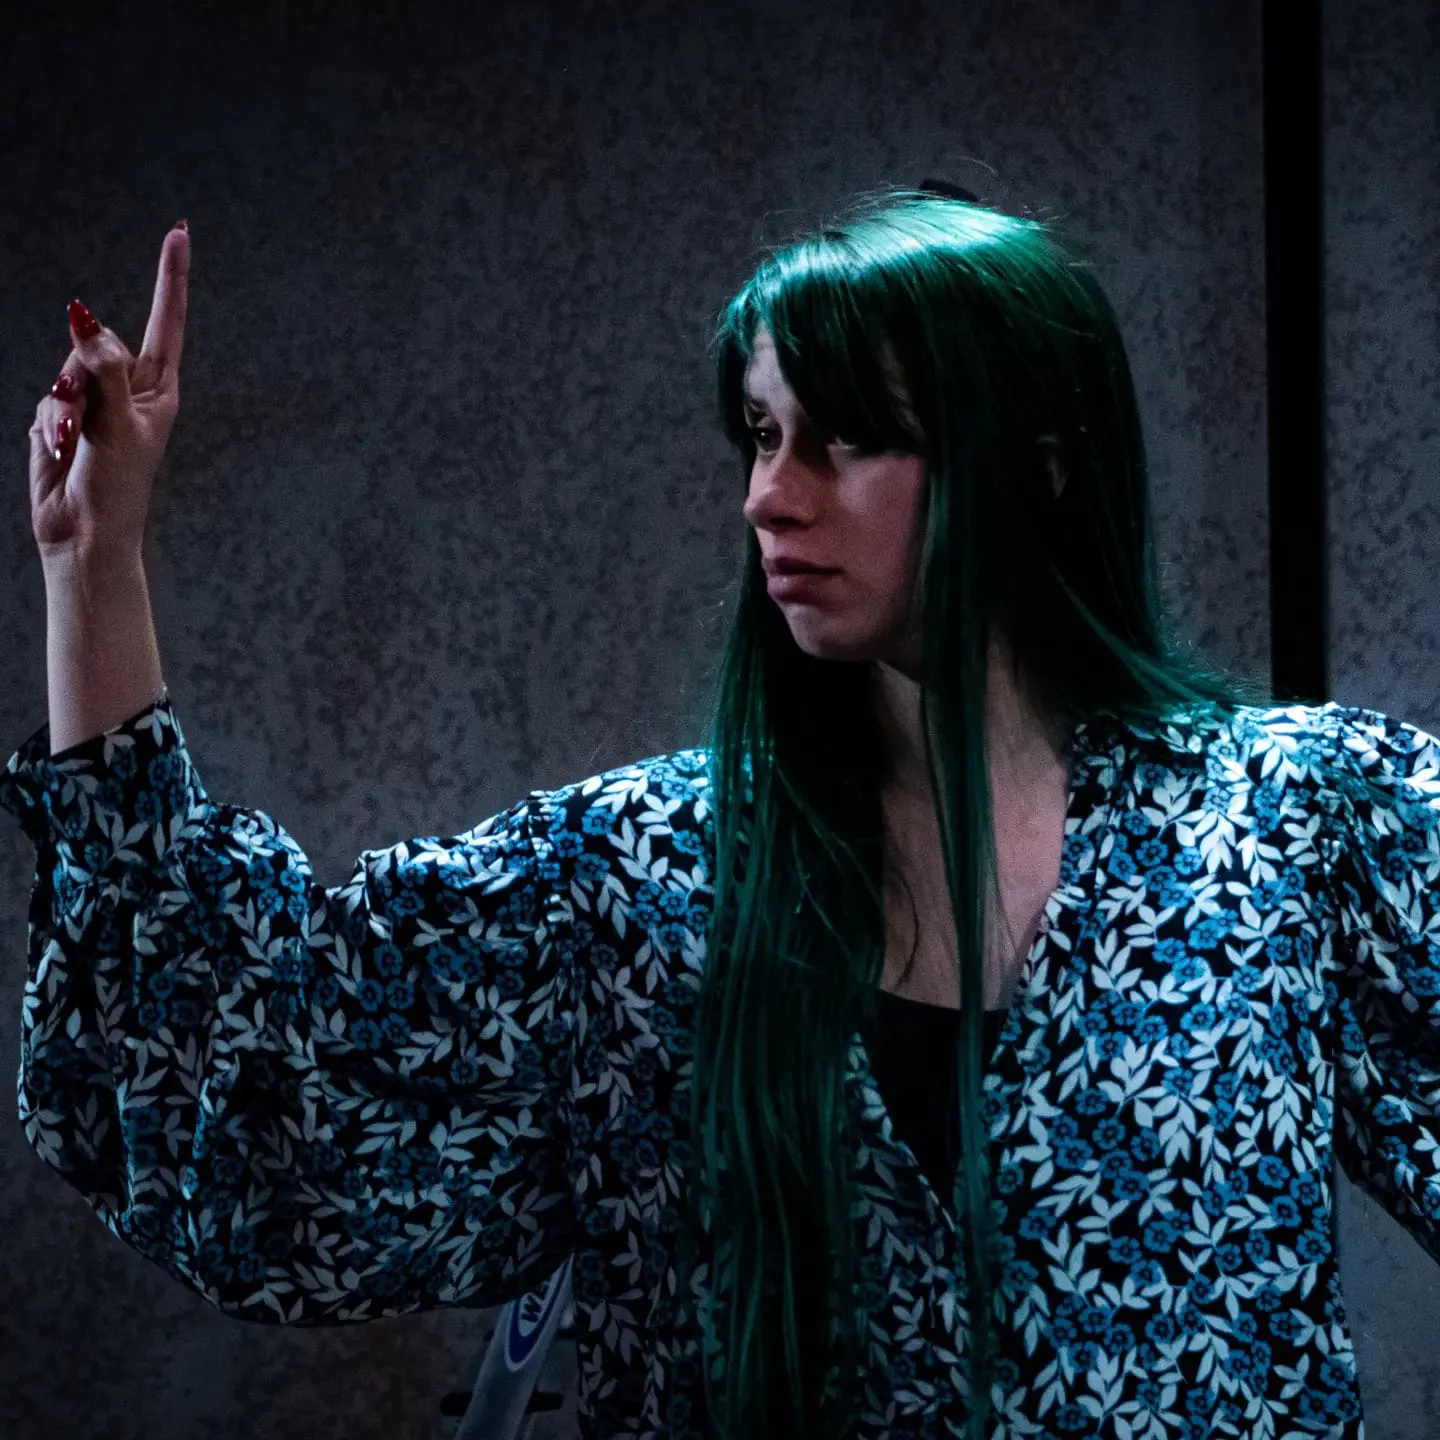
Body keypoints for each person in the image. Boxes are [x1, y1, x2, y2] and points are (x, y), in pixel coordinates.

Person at [5, 189, 1439, 1440]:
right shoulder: (635, 882)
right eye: (761, 433)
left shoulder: (1290, 827)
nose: (768, 496)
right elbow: (252, 1081)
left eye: (847, 439)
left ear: (1041, 459)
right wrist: (93, 561)